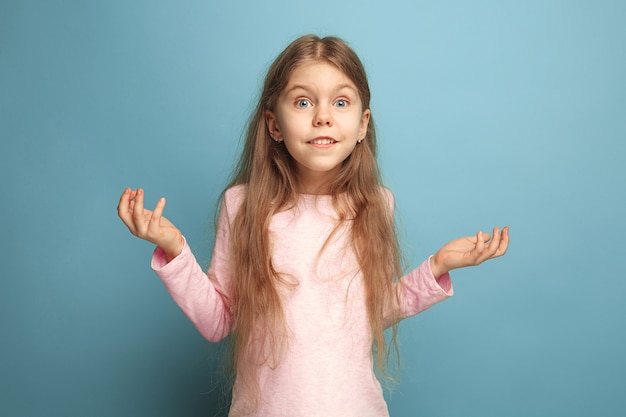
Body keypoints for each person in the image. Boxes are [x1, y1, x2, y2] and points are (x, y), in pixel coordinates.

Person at [117, 34, 509, 417]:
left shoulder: (375, 206)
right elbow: (219, 321)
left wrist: (437, 266)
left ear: (361, 125)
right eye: (303, 102)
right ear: (273, 124)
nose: (322, 116)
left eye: (340, 102)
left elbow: (367, 313)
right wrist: (174, 250)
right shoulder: (244, 206)